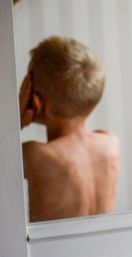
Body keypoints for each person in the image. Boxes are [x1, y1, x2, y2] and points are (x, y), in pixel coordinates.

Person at [19, 36, 119, 222]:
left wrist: (16, 119)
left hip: (52, 252)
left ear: (36, 100)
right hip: (107, 250)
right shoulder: (110, 143)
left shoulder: (34, 155)